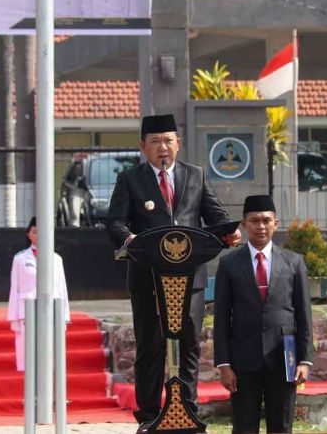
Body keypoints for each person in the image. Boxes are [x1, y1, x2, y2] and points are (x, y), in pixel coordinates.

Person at [106, 114, 242, 433]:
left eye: (168, 140)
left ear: (178, 144)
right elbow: (114, 222)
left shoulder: (195, 175)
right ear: (143, 146)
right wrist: (131, 240)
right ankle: (150, 414)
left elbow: (215, 216)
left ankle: (188, 410)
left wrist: (229, 234)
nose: (162, 147)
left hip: (189, 280)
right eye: (155, 142)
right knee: (151, 345)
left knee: (189, 343)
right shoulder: (130, 179)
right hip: (148, 279)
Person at [213, 195, 313, 434]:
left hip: (283, 360)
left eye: (266, 220)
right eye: (254, 221)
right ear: (244, 224)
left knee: (281, 425)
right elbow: (221, 317)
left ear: (276, 223)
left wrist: (305, 360)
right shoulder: (229, 264)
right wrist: (224, 364)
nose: (261, 226)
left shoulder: (294, 263)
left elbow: (304, 315)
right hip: (243, 361)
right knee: (244, 427)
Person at [7, 216, 70, 372]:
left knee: (47, 355)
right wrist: (13, 318)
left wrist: (64, 317)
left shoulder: (56, 259)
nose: (38, 235)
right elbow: (14, 289)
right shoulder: (20, 258)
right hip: (26, 312)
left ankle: (46, 394)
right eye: (34, 231)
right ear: (28, 234)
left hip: (49, 311)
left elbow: (61, 288)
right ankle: (30, 394)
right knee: (27, 355)